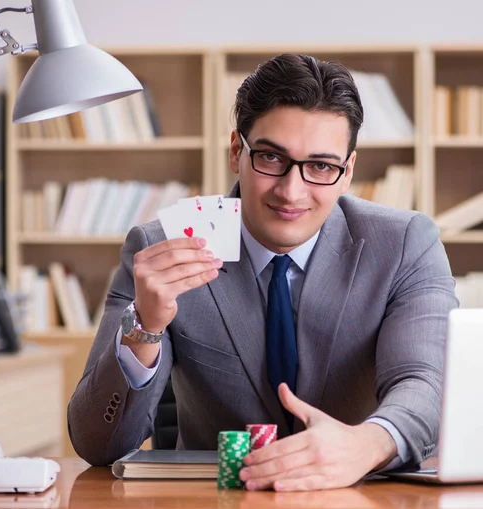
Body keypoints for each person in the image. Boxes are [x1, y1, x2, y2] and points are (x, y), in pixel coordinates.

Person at [67, 53, 458, 491]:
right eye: (271, 158)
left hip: (360, 496)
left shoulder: (405, 245)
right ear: (236, 150)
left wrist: (365, 444)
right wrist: (145, 327)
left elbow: (425, 385)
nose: (292, 191)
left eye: (321, 166)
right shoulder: (160, 250)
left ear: (347, 172)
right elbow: (96, 445)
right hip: (217, 499)